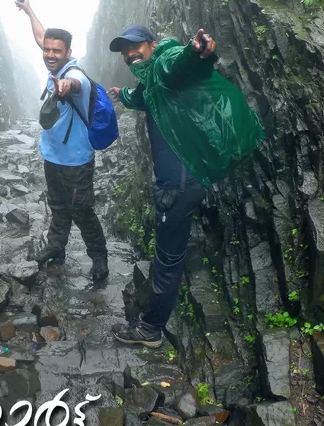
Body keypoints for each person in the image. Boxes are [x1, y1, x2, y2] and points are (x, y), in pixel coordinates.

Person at [106, 25, 265, 348]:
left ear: (152, 44)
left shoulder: (166, 61)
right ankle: (151, 321)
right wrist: (120, 95)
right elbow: (142, 96)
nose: (129, 55)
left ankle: (150, 329)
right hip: (183, 180)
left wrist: (196, 51)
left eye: (135, 47)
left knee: (168, 259)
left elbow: (180, 65)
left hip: (177, 187)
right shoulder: (151, 79)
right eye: (124, 52)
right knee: (168, 254)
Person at [15, 0, 109, 282]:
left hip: (76, 161)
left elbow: (77, 84)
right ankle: (56, 248)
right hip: (52, 156)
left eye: (57, 51)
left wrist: (66, 86)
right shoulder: (53, 64)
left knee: (80, 209)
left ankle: (99, 256)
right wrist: (29, 10)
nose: (50, 54)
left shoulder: (74, 75)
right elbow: (40, 36)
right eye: (48, 50)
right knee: (57, 206)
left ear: (69, 52)